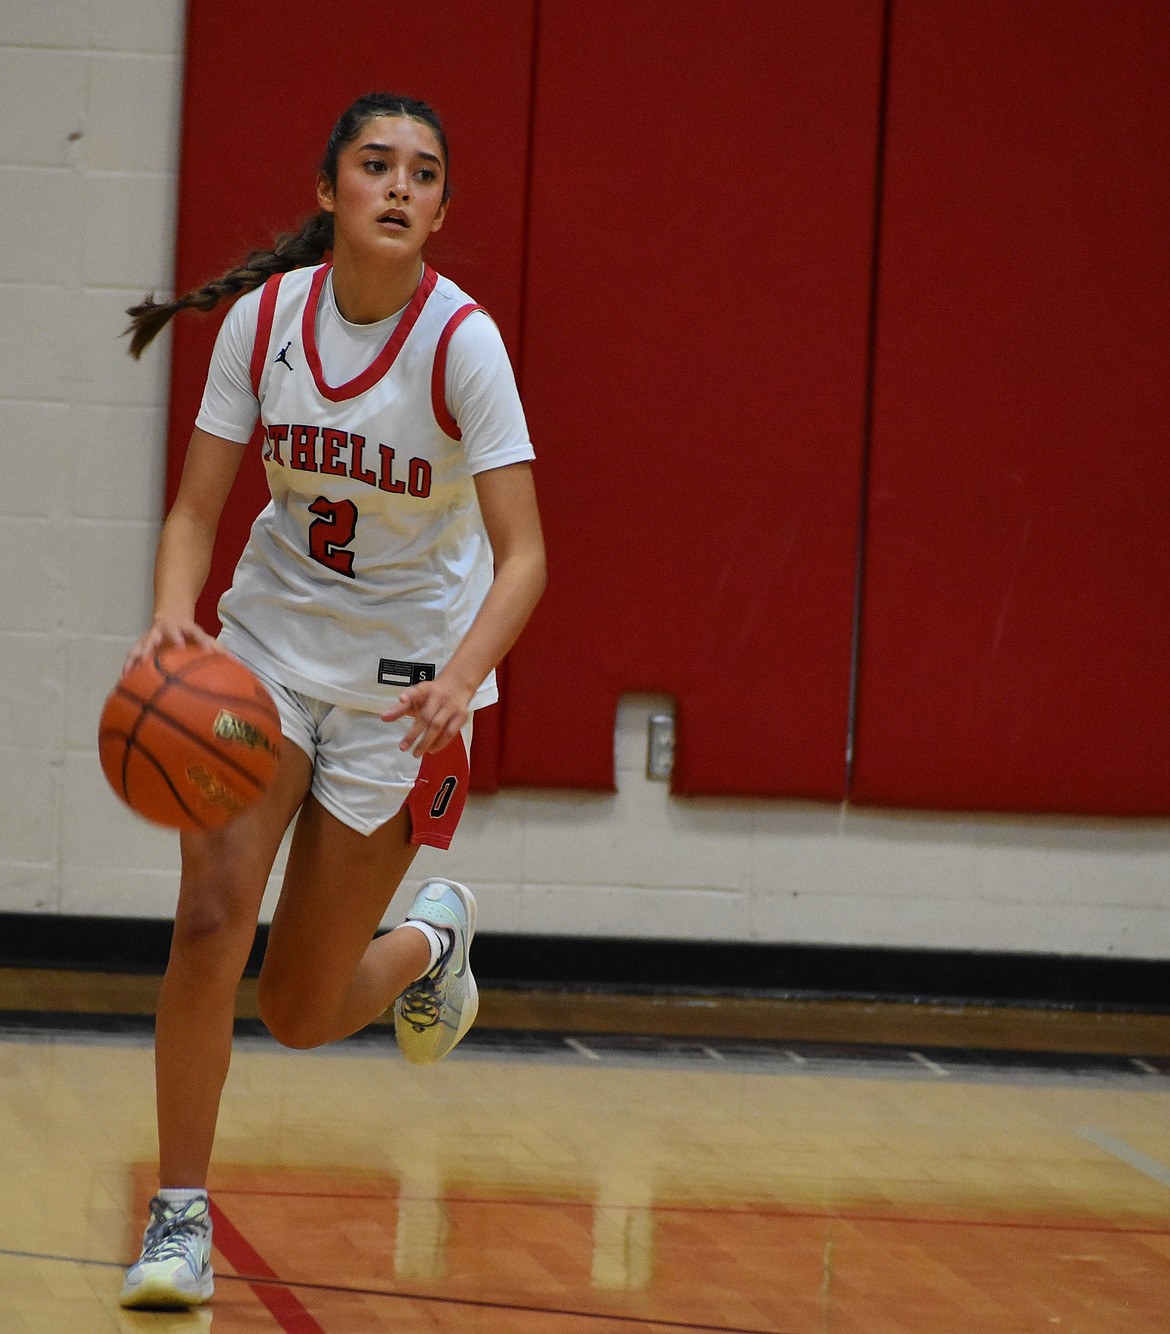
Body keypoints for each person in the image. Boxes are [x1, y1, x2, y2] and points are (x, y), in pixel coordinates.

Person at [115, 92, 546, 1310]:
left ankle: (433, 937)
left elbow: (525, 556)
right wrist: (172, 615)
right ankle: (179, 1215)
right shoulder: (264, 324)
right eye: (375, 164)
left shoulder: (463, 342)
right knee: (208, 918)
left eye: (423, 172)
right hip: (265, 648)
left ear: (442, 210)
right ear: (330, 192)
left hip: (406, 694)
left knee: (300, 1009)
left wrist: (463, 680)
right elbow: (198, 511)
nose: (399, 186)